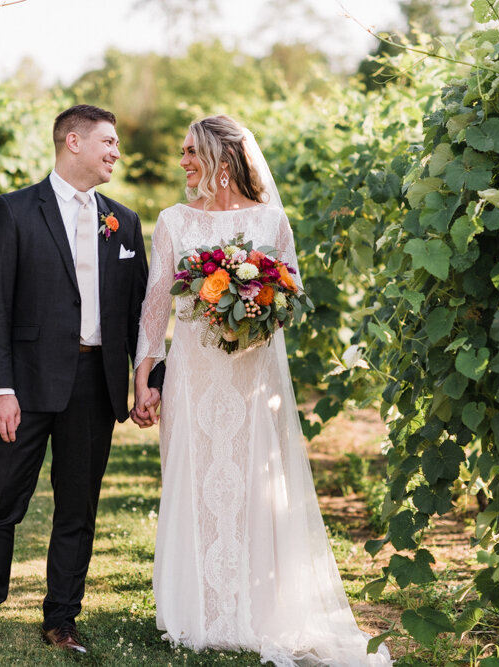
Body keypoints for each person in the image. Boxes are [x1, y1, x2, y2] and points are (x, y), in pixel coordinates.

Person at [132, 115, 393, 666]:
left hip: (253, 375)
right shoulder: (172, 221)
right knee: (195, 480)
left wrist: (253, 312)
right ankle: (197, 609)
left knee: (254, 481)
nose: (182, 163)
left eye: (190, 153)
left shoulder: (272, 220)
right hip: (193, 374)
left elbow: (289, 293)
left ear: (221, 162)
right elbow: (155, 307)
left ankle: (256, 607)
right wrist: (144, 375)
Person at [0, 104, 164, 657]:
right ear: (73, 141)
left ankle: (62, 620)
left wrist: (148, 379)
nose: (116, 152)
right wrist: (0, 389)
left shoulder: (124, 221)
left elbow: (145, 312)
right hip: (25, 385)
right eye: (108, 142)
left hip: (96, 385)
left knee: (78, 508)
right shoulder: (14, 211)